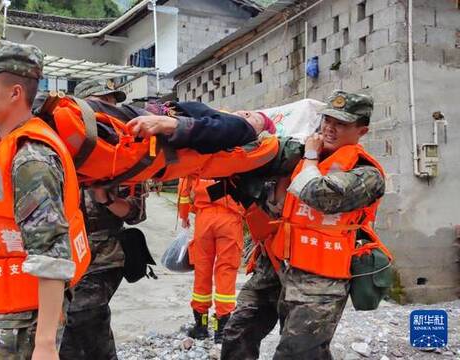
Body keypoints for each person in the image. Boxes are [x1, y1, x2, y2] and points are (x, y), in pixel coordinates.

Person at [129, 91, 388, 360]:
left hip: (319, 282)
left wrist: (310, 157)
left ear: (362, 130)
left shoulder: (366, 173)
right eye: (328, 120)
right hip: (275, 266)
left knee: (297, 353)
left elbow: (319, 194)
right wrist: (182, 128)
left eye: (342, 124)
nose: (330, 128)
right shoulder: (297, 153)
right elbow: (252, 150)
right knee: (237, 332)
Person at [0, 39, 90, 360]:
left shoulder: (31, 157)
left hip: (26, 320)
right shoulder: (4, 145)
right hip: (7, 309)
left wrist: (44, 344)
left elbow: (52, 252)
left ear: (15, 93)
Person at [60, 79, 148, 359]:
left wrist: (106, 199)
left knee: (85, 312)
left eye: (113, 104)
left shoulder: (127, 157)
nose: (111, 111)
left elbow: (136, 213)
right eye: (102, 103)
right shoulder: (62, 149)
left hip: (104, 255)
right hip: (65, 254)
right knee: (72, 328)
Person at [178, 176, 245, 343]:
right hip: (230, 220)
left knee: (202, 270)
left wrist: (184, 215)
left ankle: (200, 327)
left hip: (204, 219)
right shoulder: (239, 155)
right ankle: (221, 330)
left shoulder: (198, 154)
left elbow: (184, 188)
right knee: (226, 271)